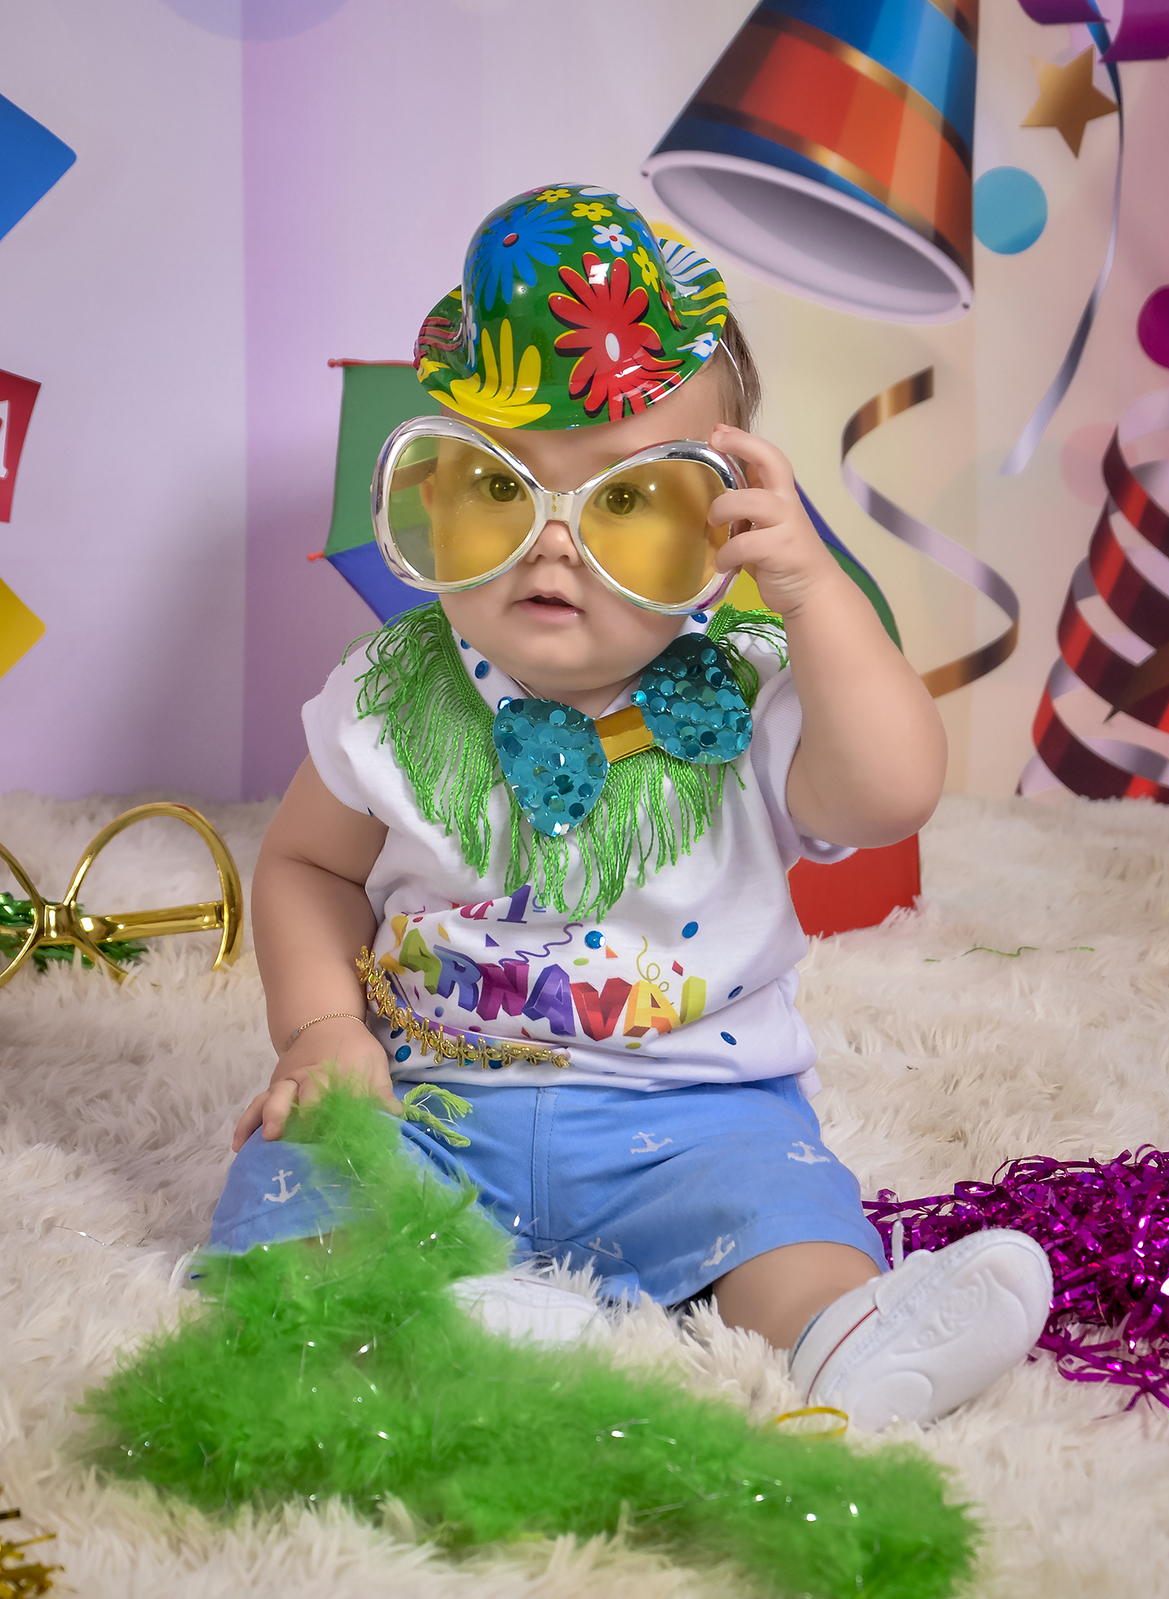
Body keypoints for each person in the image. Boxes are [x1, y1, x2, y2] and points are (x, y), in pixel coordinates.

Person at [212, 185, 1051, 1431]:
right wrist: (323, 1029)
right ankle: (453, 1313)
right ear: (434, 495)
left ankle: (850, 1338)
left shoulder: (756, 689)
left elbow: (893, 794)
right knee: (300, 1184)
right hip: (432, 1104)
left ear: (721, 525)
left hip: (695, 1117)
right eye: (502, 486)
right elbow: (304, 868)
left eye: (626, 500)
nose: (553, 541)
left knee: (783, 1218)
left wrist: (815, 594)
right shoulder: (389, 696)